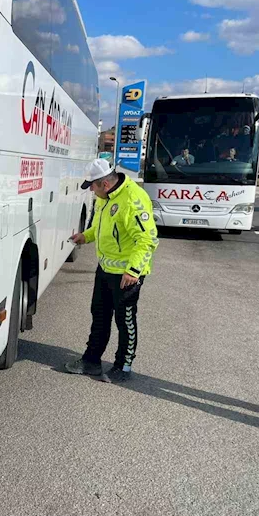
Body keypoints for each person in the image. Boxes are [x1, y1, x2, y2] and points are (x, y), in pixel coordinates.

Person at [65, 159, 159, 382]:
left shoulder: (133, 200)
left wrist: (133, 271)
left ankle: (123, 367)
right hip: (105, 268)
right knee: (99, 315)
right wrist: (84, 236)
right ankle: (91, 361)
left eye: (92, 187)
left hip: (127, 274)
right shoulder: (105, 199)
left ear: (104, 184)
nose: (92, 192)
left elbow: (147, 239)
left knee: (124, 321)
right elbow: (99, 226)